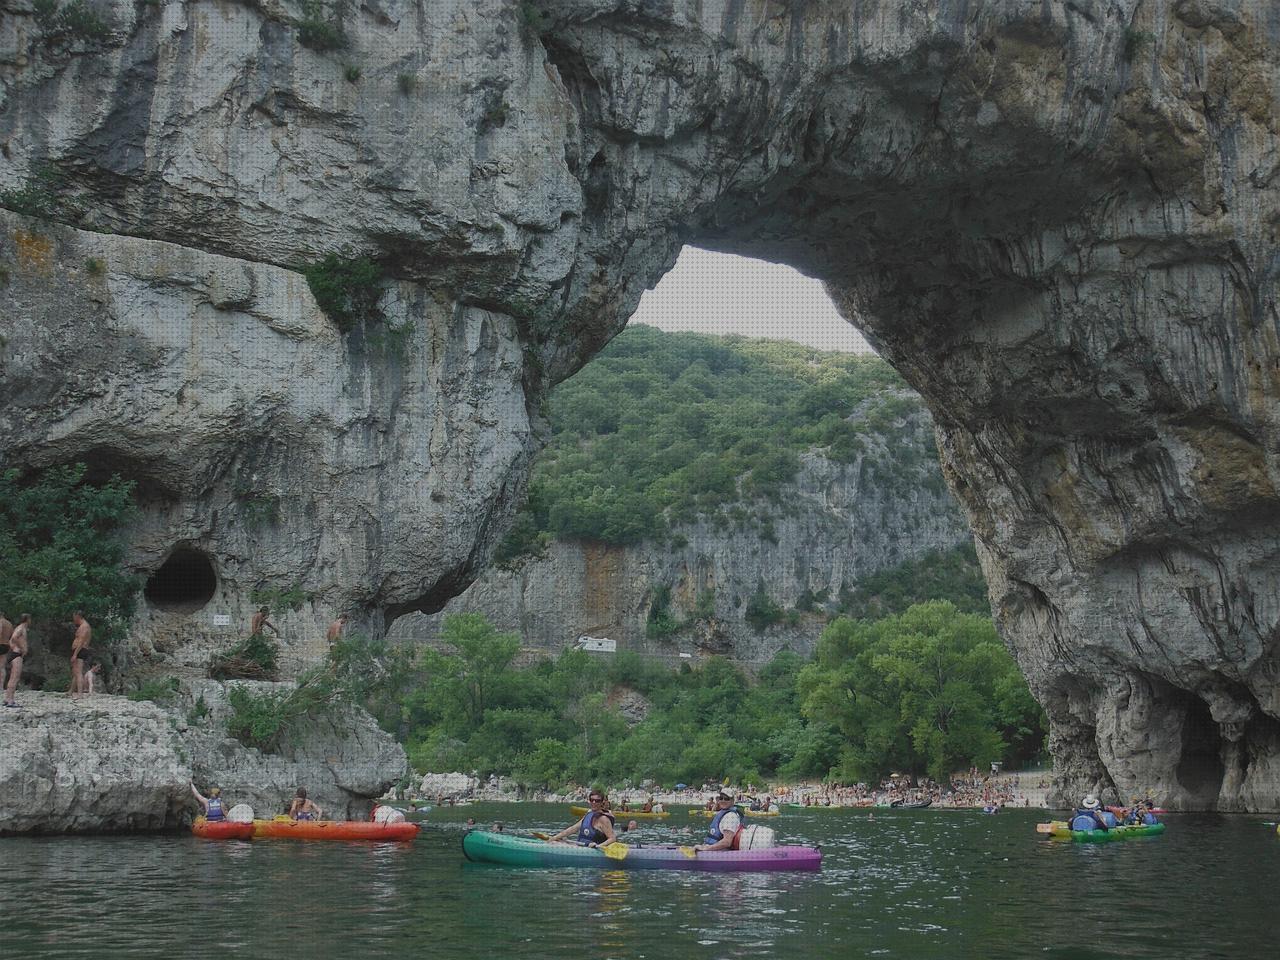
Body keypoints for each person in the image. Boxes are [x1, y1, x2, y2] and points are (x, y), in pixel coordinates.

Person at [548, 791, 617, 847]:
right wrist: (555, 837)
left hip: (594, 849)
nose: (594, 802)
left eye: (597, 801)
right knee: (556, 841)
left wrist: (598, 846)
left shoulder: (604, 819)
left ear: (602, 802)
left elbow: (612, 838)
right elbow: (573, 828)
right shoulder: (589, 814)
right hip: (581, 845)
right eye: (592, 800)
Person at [4, 614, 31, 708]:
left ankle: (7, 699)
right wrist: (21, 648)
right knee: (15, 677)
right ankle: (10, 700)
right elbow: (14, 637)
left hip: (15, 653)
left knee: (13, 677)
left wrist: (13, 647)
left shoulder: (20, 628)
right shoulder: (21, 628)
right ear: (27, 619)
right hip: (17, 654)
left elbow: (11, 641)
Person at [70, 611, 92, 698]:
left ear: (78, 616)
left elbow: (81, 641)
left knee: (78, 672)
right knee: (75, 671)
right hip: (79, 649)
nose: (73, 619)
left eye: (74, 617)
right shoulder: (83, 626)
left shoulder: (84, 627)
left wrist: (75, 654)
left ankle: (80, 693)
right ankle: (71, 691)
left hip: (80, 650)